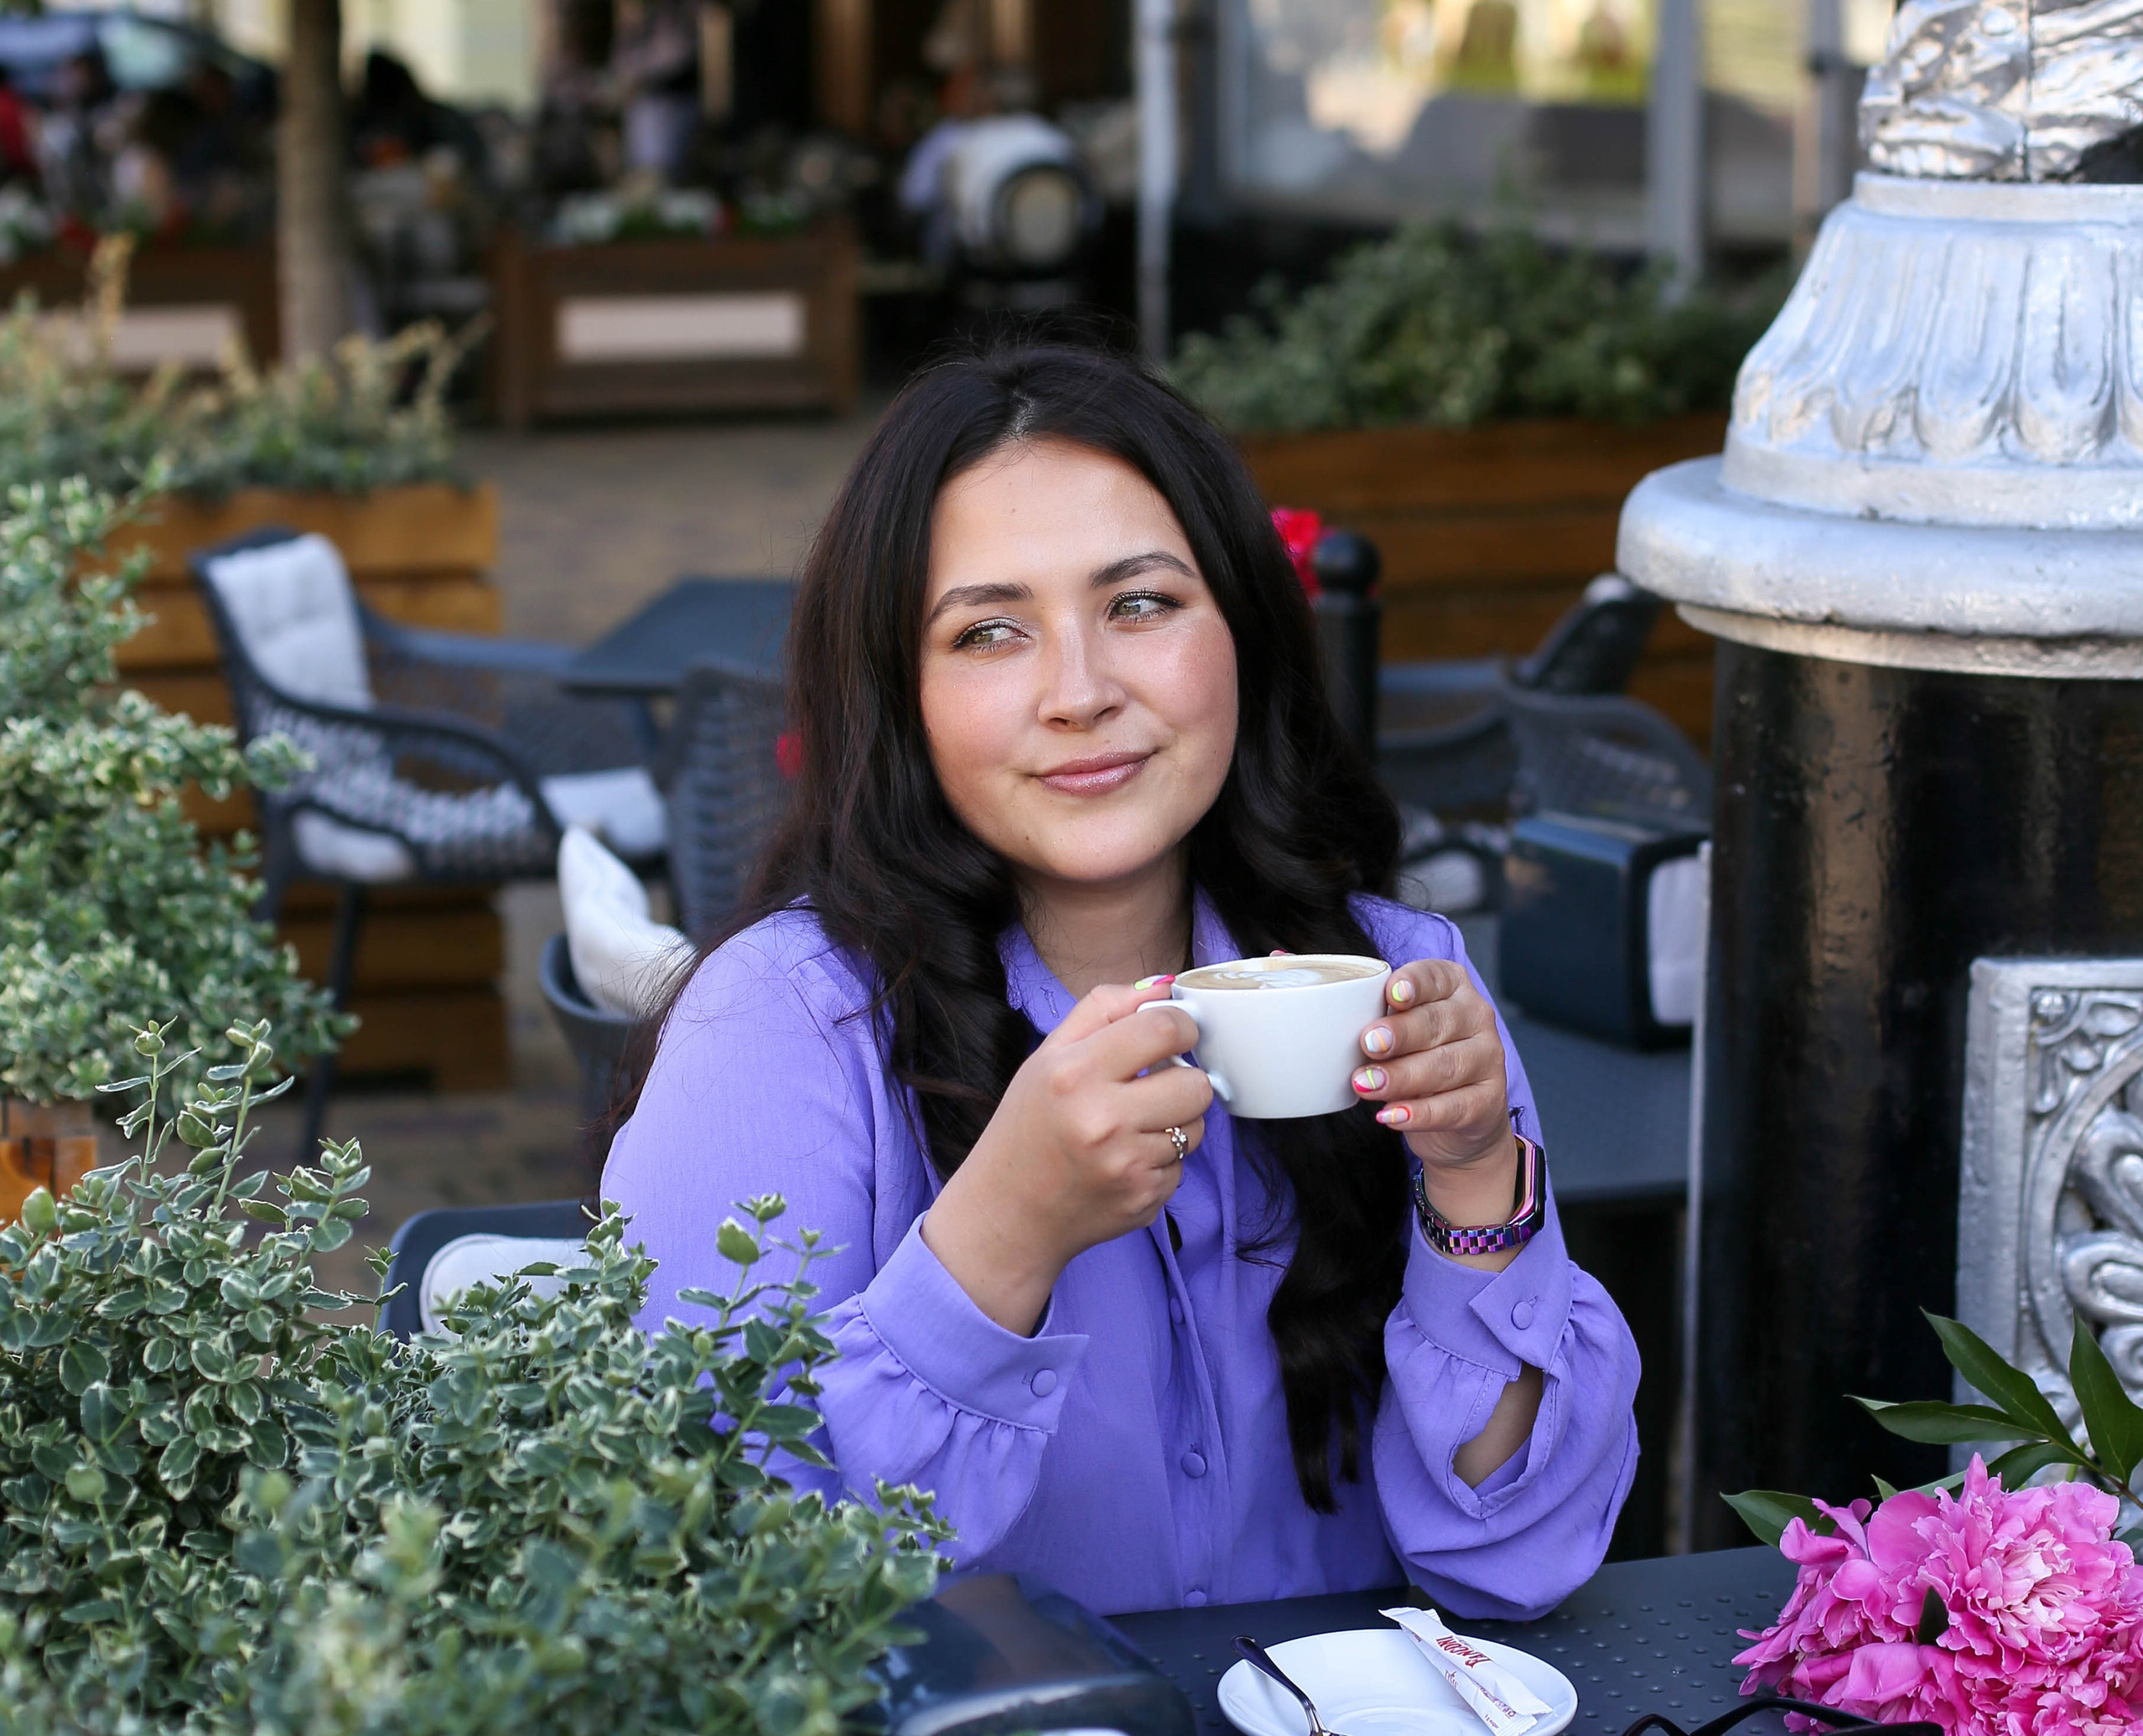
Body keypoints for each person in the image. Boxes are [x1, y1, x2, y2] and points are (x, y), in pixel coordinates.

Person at [603, 344, 1639, 1619]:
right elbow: (703, 1590)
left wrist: (1476, 1179)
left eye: (1141, 604)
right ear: (899, 695)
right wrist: (1002, 1236)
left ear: (1245, 632)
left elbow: (1514, 1560)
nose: (1082, 693)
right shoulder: (783, 1026)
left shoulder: (1399, 980)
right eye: (989, 632)